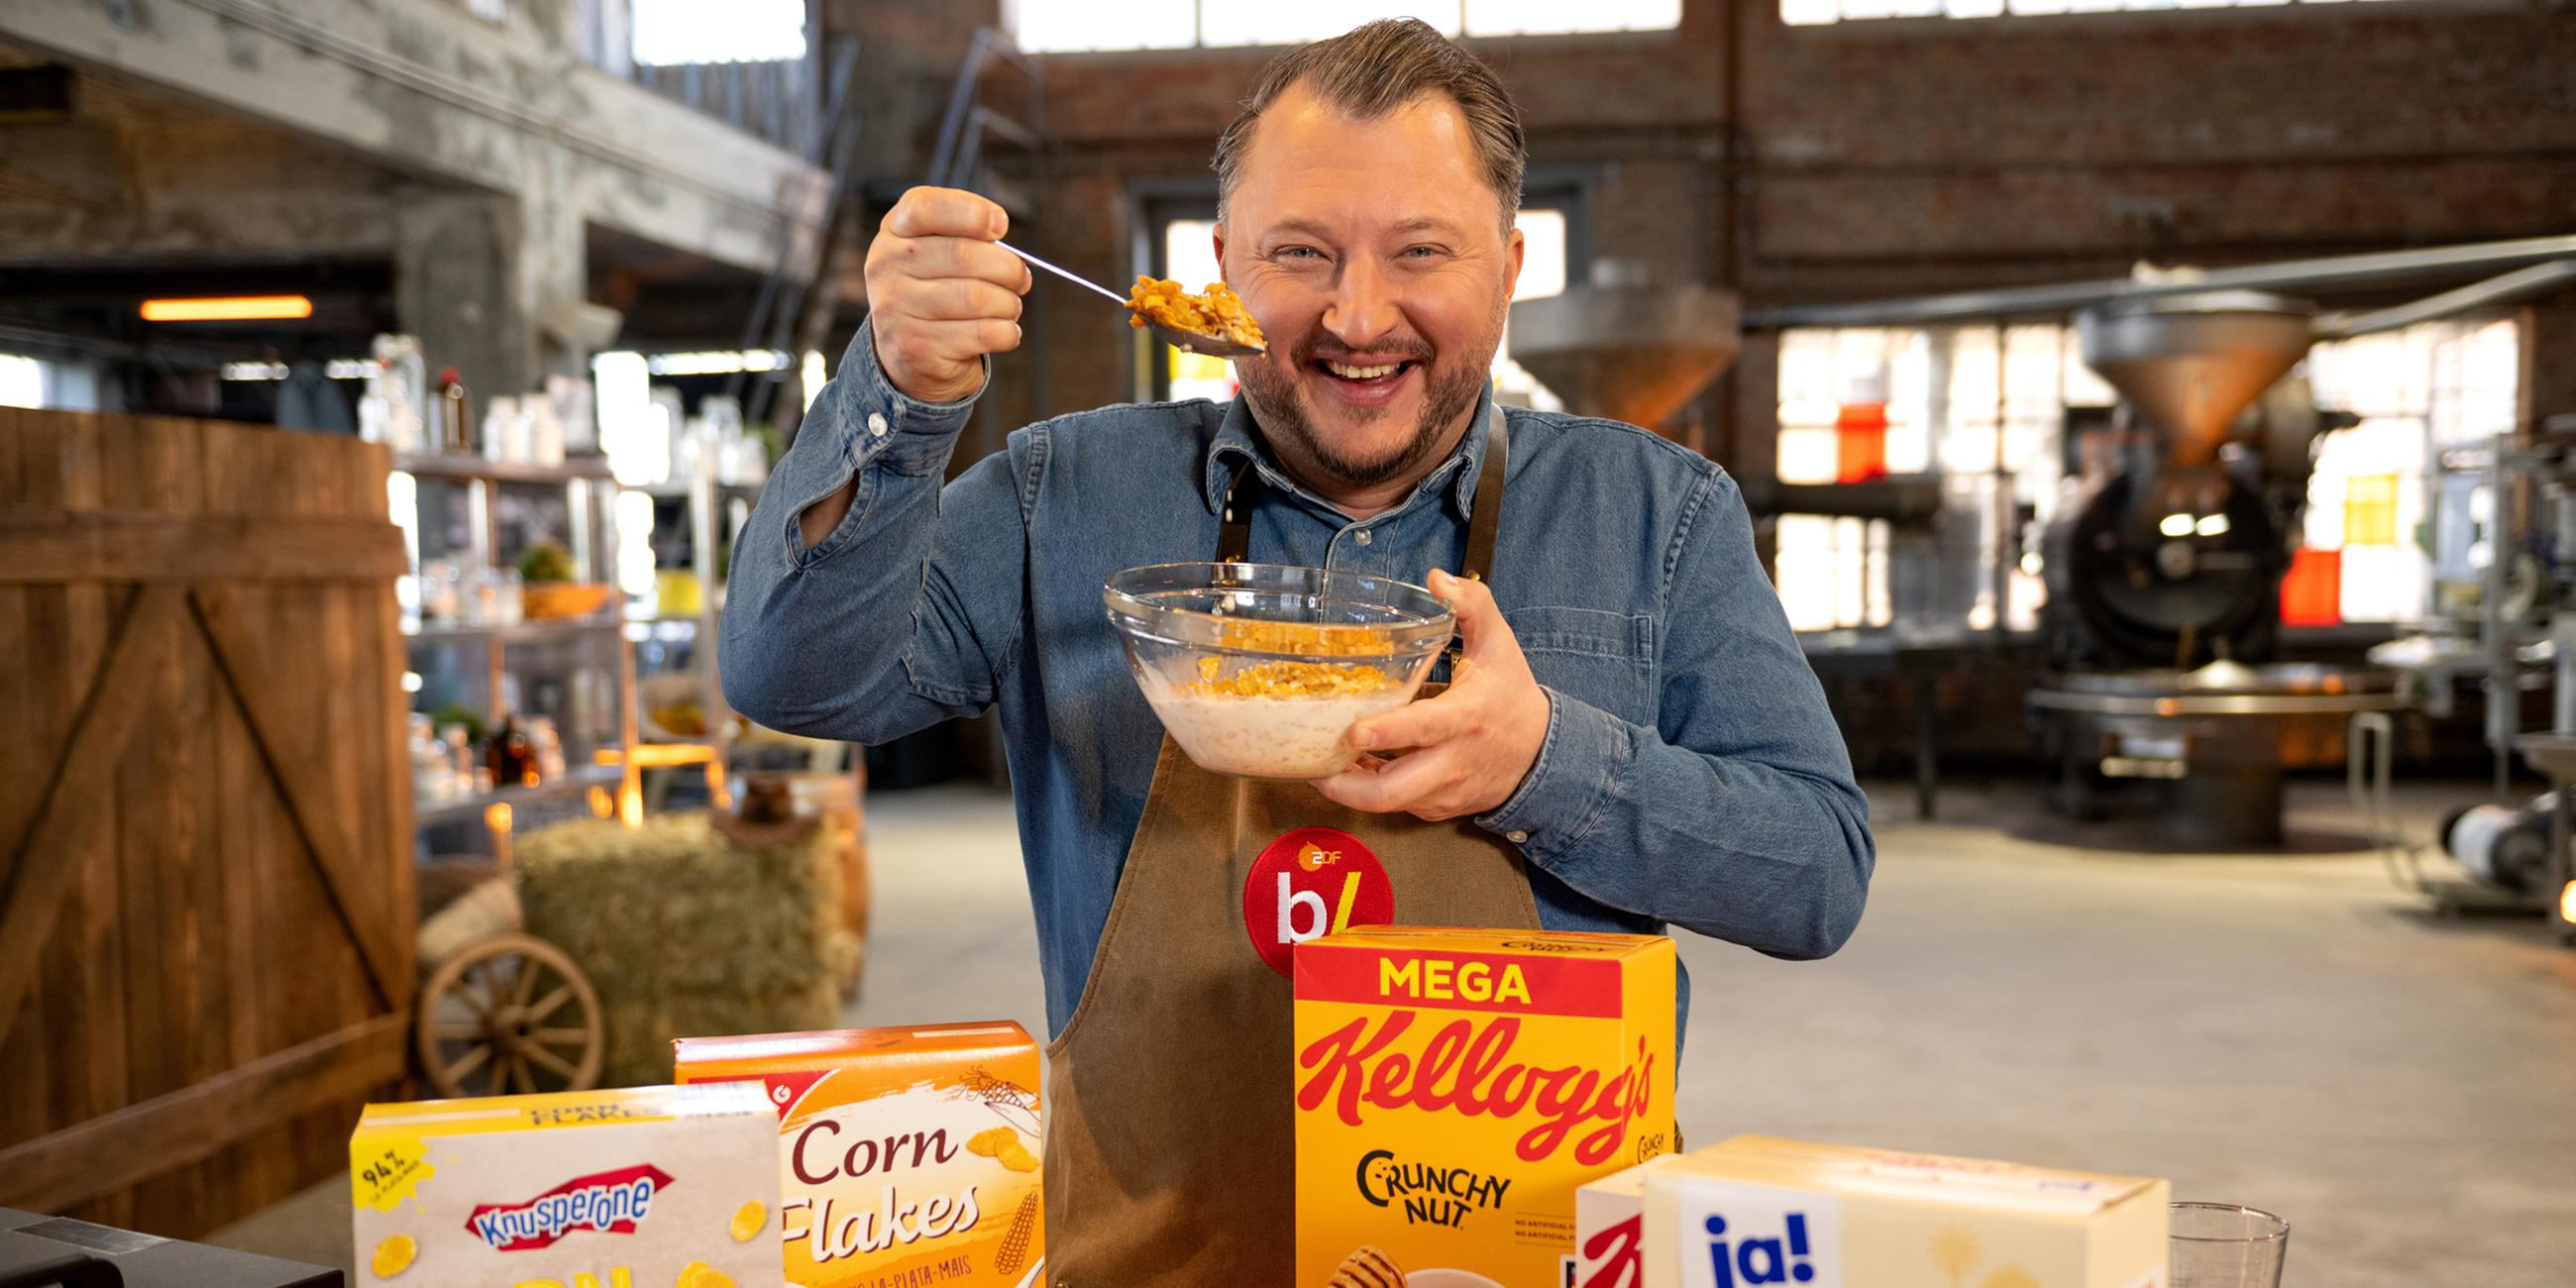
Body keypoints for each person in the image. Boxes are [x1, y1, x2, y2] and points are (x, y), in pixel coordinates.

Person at [722, 18, 1873, 1284]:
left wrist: (1545, 762)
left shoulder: (1657, 516)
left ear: (1507, 266)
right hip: (1154, 1257)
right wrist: (896, 391)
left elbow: (1815, 874)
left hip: (1524, 1260)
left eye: (1419, 252)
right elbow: (793, 677)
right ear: (1219, 267)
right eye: (1300, 253)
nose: (1357, 315)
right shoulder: (1065, 491)